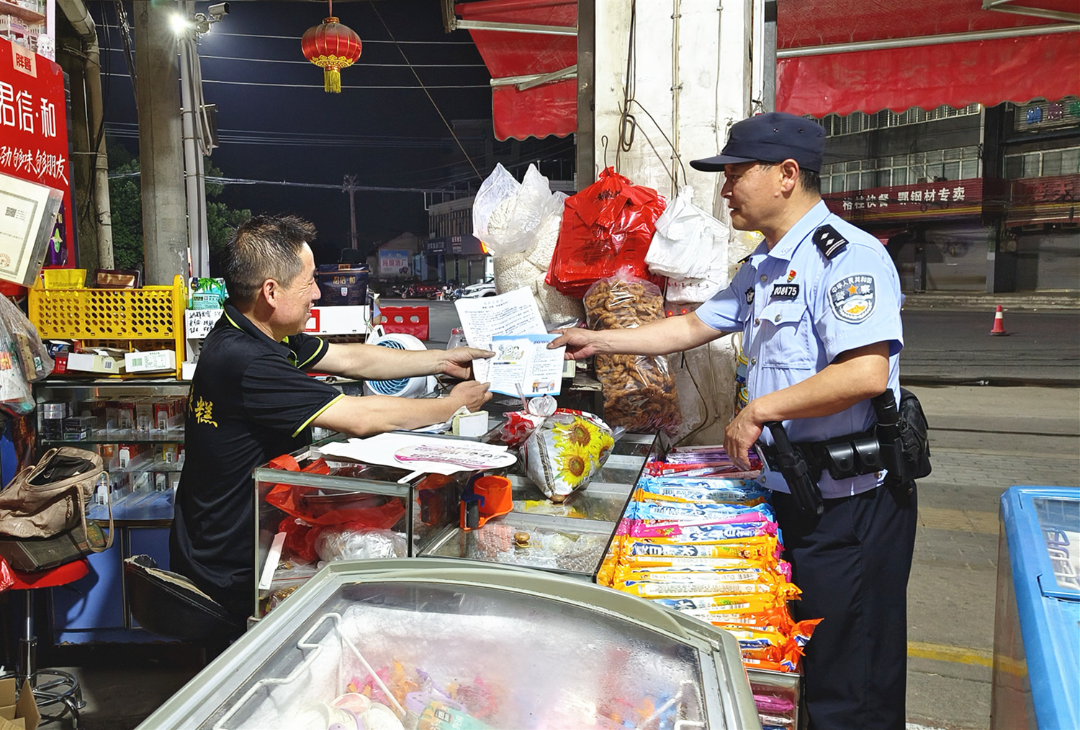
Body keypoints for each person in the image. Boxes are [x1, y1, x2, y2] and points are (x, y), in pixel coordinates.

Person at [551, 112, 916, 730]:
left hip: (853, 505)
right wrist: (600, 338)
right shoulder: (764, 266)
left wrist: (758, 409)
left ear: (786, 175)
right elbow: (696, 325)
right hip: (797, 492)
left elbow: (864, 375)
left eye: (735, 173)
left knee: (850, 676)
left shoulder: (847, 258)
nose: (725, 189)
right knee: (809, 661)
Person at [170, 214, 493, 627]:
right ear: (271, 291)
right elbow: (359, 416)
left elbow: (353, 357)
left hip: (240, 538)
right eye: (308, 284)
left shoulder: (256, 332)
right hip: (231, 561)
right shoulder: (248, 361)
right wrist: (449, 406)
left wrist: (443, 360)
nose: (318, 294)